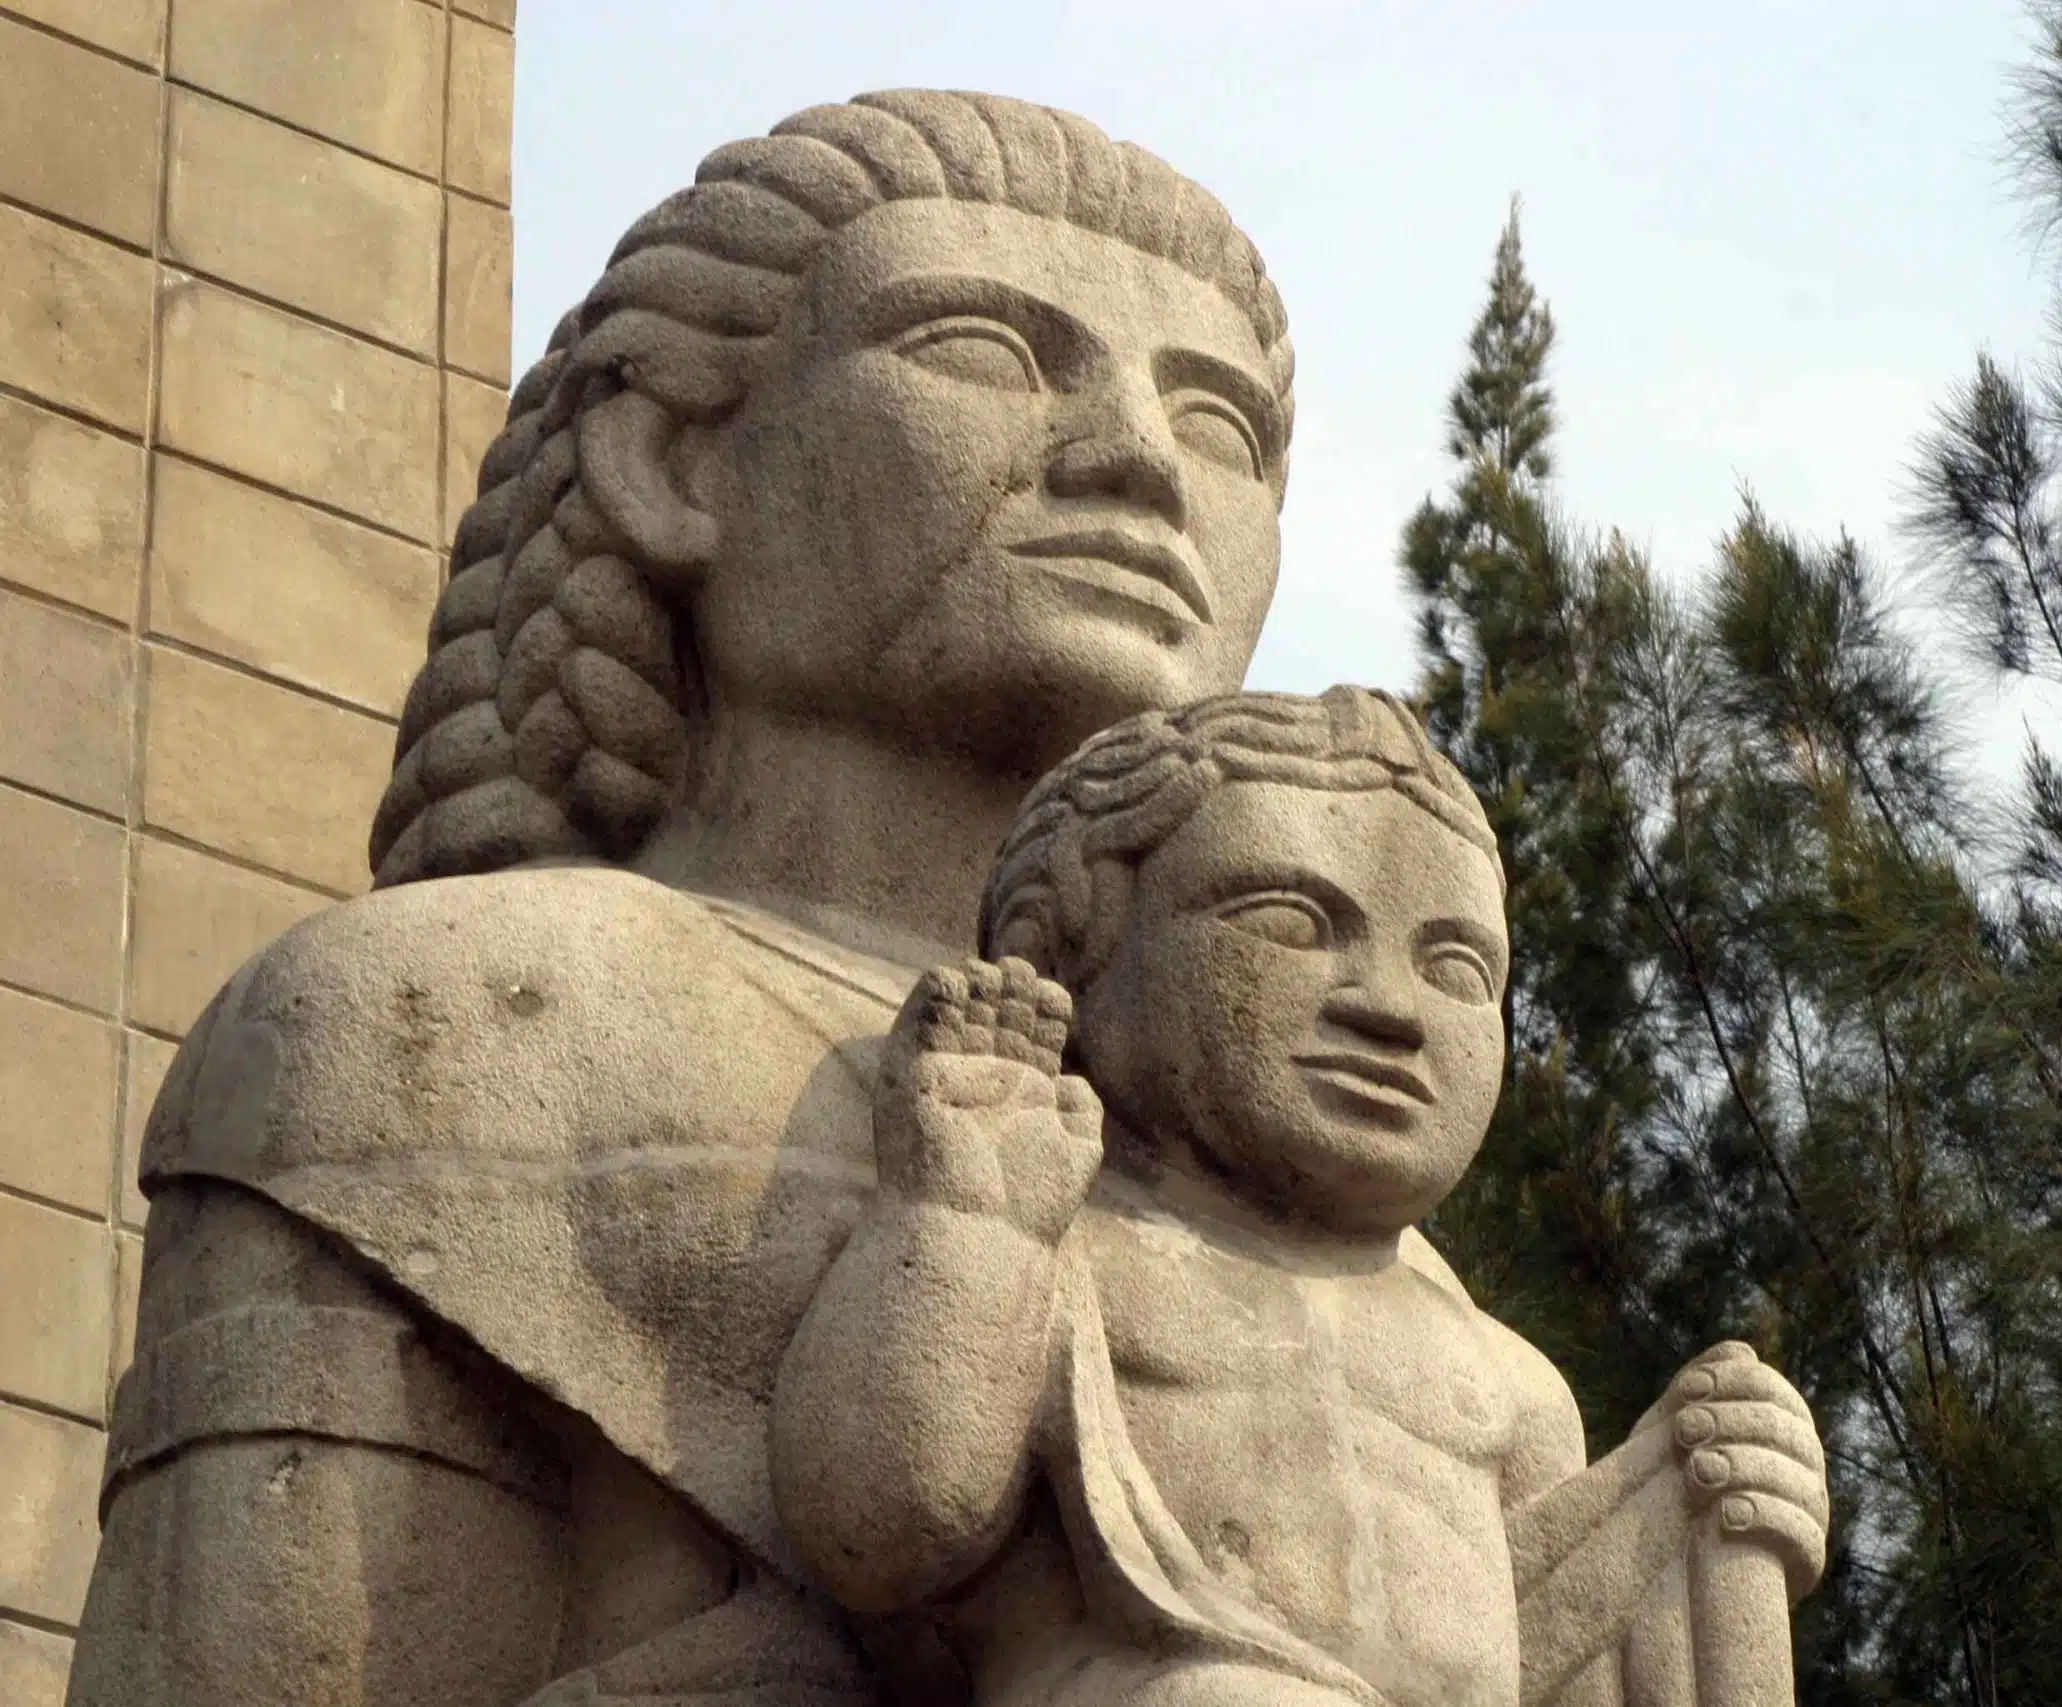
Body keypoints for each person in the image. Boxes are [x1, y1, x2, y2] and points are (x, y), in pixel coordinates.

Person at [71, 91, 1294, 1707]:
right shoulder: (424, 1028)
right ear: (670, 460)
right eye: (984, 350)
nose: (1138, 459)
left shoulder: (1308, 1173)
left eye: (1222, 426)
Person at [773, 688, 1830, 1707]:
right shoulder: (1068, 1259)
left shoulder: (1508, 1385)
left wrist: (1682, 1510)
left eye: (1456, 969)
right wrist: (963, 1219)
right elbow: (878, 1525)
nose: (1391, 1010)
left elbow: (1510, 1666)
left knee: (1721, 1471)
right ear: (1068, 955)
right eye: (1289, 920)